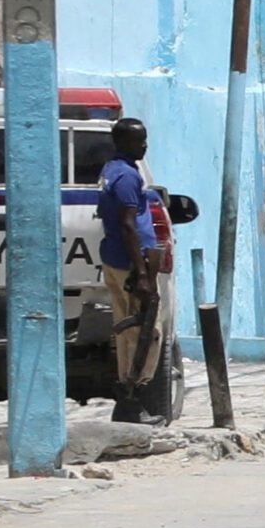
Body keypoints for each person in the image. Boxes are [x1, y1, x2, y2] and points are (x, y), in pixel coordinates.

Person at [97, 117, 169, 425]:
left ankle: (128, 402)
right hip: (131, 266)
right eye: (140, 141)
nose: (145, 145)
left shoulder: (113, 170)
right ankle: (132, 400)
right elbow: (128, 225)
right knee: (145, 331)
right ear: (124, 142)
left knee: (130, 330)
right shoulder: (126, 177)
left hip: (121, 261)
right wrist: (141, 273)